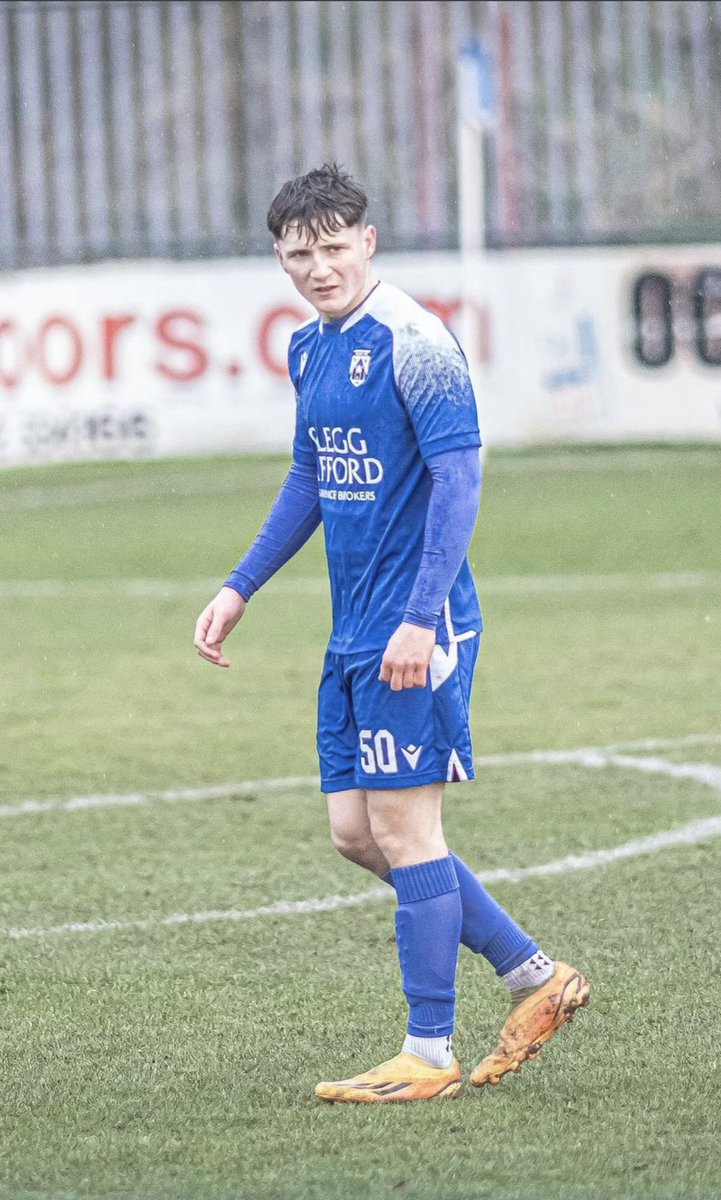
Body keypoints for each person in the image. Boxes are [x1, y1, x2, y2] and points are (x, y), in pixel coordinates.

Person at [194, 164, 589, 1104]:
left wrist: (420, 618)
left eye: (334, 247)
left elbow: (459, 480)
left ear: (366, 241)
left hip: (418, 622)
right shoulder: (308, 348)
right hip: (353, 628)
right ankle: (537, 979)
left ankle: (428, 1052)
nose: (318, 266)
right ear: (280, 257)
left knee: (407, 831)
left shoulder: (416, 342)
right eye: (300, 252)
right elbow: (309, 478)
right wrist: (240, 583)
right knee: (355, 834)